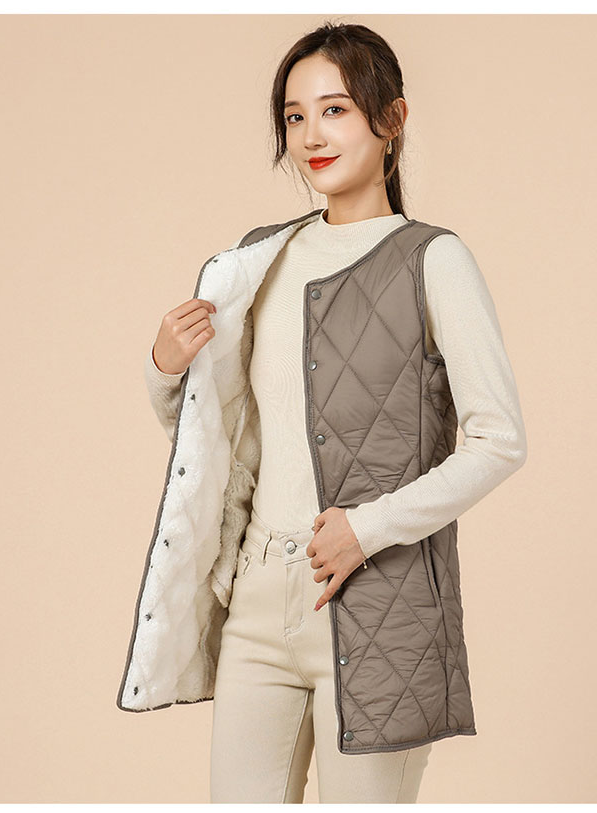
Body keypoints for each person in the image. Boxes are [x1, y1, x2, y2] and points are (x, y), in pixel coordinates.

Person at [139, 21, 526, 804]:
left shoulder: (433, 259)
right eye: (294, 116)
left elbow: (499, 441)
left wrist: (367, 527)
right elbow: (218, 434)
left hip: (380, 602)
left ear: (393, 118)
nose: (311, 136)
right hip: (256, 601)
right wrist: (164, 368)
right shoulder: (257, 258)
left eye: (336, 110)